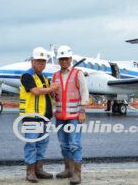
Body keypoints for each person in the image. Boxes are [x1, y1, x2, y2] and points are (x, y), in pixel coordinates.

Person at [19, 47, 58, 183]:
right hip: (31, 117)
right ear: (32, 61)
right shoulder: (27, 76)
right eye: (38, 61)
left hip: (44, 118)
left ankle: (39, 170)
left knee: (42, 144)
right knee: (31, 144)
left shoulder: (44, 77)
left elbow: (48, 94)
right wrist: (51, 89)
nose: (41, 64)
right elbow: (35, 91)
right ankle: (30, 172)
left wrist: (53, 92)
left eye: (43, 61)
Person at [52, 45, 89, 185]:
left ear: (70, 59)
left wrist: (82, 111)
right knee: (63, 144)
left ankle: (77, 174)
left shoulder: (77, 73)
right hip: (60, 116)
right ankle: (68, 169)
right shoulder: (55, 76)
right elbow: (54, 95)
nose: (63, 61)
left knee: (74, 144)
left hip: (74, 116)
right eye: (61, 59)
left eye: (66, 59)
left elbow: (84, 92)